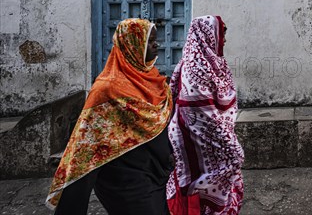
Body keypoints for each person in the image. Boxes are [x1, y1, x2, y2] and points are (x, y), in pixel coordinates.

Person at [46, 18, 173, 215]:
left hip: (155, 174)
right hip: (125, 181)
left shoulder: (153, 80)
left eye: (154, 40)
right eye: (148, 41)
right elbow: (86, 147)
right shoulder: (107, 89)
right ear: (131, 45)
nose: (156, 45)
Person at [167, 15, 244, 215]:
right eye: (222, 34)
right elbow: (201, 115)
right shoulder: (194, 67)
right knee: (222, 165)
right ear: (207, 35)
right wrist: (229, 144)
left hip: (214, 131)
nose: (224, 40)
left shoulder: (213, 62)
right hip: (195, 136)